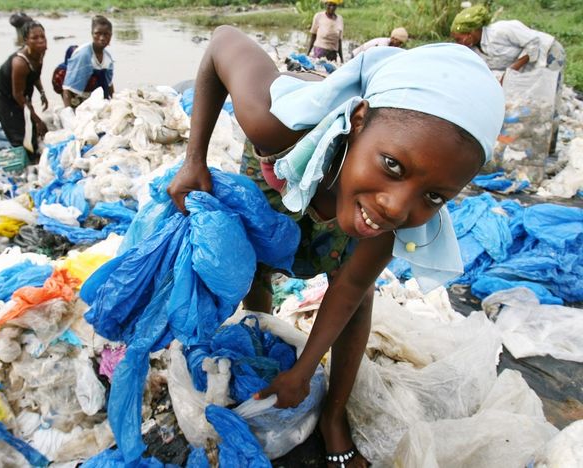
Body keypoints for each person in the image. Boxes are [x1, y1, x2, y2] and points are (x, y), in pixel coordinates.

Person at [167, 26, 504, 467]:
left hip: (344, 207)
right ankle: (259, 331)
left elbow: (343, 293)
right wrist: (195, 161)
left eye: (435, 196)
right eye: (393, 166)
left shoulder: (392, 214)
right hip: (280, 188)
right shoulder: (272, 120)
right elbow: (221, 43)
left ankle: (333, 416)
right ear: (358, 120)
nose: (396, 207)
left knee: (358, 294)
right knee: (257, 265)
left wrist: (304, 373)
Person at [450, 5, 566, 74]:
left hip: (549, 52)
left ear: (472, 32)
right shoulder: (476, 50)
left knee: (549, 92)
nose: (459, 44)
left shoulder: (500, 30)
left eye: (459, 39)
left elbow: (533, 42)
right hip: (529, 65)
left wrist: (512, 70)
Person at [0, 21, 48, 155]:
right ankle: (25, 161)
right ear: (26, 40)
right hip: (4, 95)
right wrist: (38, 119)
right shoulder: (20, 63)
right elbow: (18, 95)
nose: (40, 41)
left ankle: (34, 152)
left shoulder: (40, 53)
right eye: (35, 38)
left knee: (31, 128)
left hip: (21, 92)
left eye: (43, 37)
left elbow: (35, 74)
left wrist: (42, 92)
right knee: (17, 131)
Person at [58, 15, 115, 109]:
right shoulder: (84, 55)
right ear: (92, 34)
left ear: (111, 36)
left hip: (91, 92)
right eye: (98, 33)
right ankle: (76, 103)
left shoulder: (108, 58)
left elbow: (109, 84)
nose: (102, 38)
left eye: (106, 34)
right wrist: (67, 112)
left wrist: (113, 103)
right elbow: (67, 88)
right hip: (73, 89)